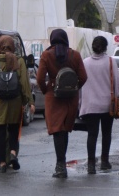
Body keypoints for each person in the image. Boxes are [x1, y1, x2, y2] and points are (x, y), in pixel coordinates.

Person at [37, 28, 88, 178]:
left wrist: (47, 89)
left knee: (57, 130)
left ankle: (60, 165)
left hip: (53, 96)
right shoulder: (75, 55)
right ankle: (61, 163)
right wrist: (74, 88)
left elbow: (40, 78)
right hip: (71, 97)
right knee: (65, 129)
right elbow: (83, 77)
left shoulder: (47, 55)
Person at [0, 35, 34, 173]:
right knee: (13, 130)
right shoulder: (19, 61)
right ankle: (12, 153)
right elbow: (24, 83)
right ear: (12, 45)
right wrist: (27, 101)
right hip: (14, 101)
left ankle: (1, 163)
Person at [79, 36, 119, 174]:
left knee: (92, 135)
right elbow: (118, 83)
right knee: (106, 133)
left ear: (92, 47)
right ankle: (105, 161)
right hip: (107, 104)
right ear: (105, 47)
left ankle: (91, 164)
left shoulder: (84, 63)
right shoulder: (110, 62)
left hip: (90, 104)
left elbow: (80, 83)